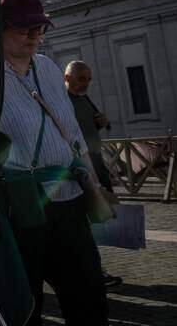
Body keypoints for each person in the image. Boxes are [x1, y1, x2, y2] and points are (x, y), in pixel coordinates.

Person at [0, 0, 109, 325]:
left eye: (39, 28)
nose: (34, 35)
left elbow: (70, 132)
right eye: (25, 28)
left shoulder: (49, 69)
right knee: (26, 304)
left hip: (68, 198)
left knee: (89, 294)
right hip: (19, 205)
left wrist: (93, 183)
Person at [65, 60, 123, 287]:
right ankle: (92, 270)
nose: (86, 84)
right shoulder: (61, 102)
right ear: (67, 77)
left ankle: (92, 268)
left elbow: (88, 131)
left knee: (97, 220)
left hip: (96, 165)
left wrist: (101, 123)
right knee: (84, 222)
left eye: (88, 79)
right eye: (81, 79)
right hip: (80, 170)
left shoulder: (85, 100)